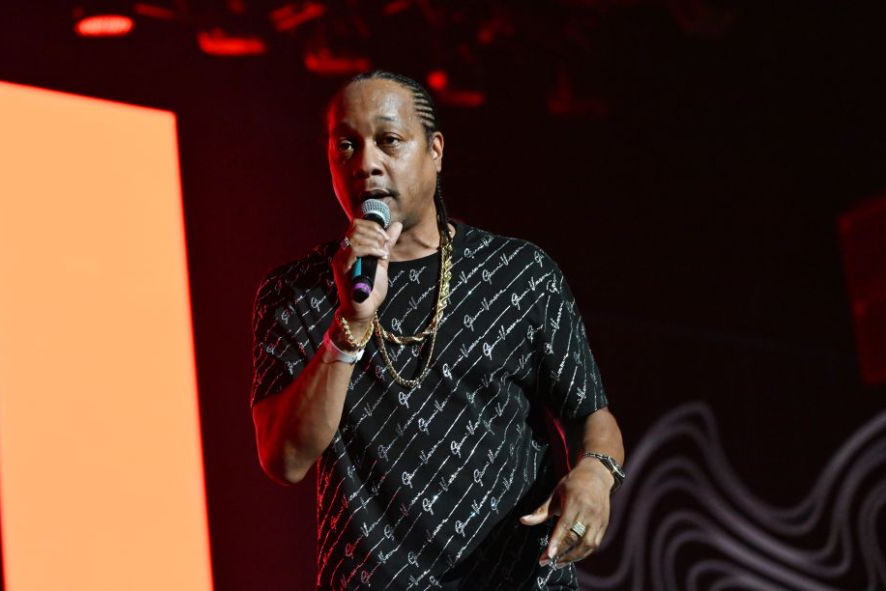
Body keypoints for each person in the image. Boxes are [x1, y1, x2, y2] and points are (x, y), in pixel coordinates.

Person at [250, 70, 625, 590]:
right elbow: (285, 459)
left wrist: (596, 474)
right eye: (346, 145)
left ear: (435, 151)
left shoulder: (519, 274)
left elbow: (591, 415)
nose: (366, 163)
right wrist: (350, 323)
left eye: (388, 140)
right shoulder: (296, 293)